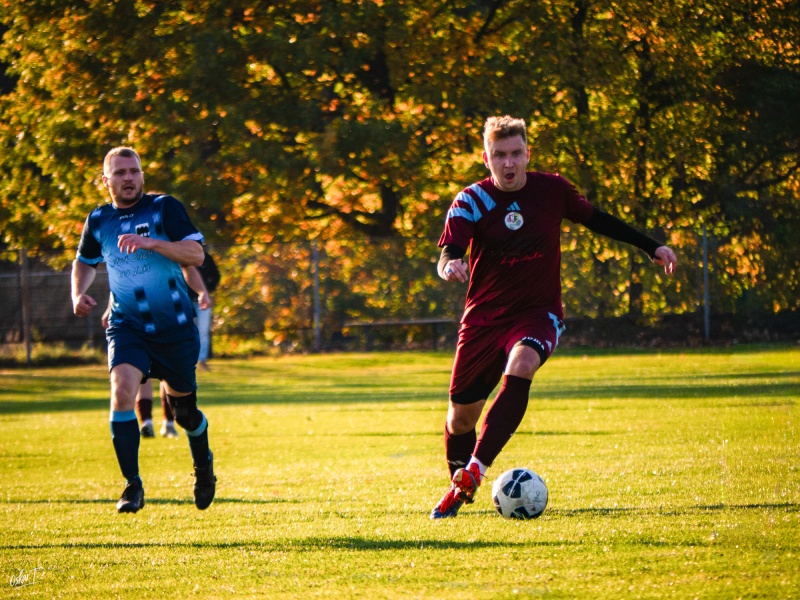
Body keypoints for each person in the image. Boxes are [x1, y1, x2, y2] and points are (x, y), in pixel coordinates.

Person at [430, 116, 677, 519]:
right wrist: (449, 266)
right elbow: (450, 250)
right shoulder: (471, 200)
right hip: (483, 320)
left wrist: (650, 246)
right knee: (460, 420)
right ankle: (458, 485)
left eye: (515, 154)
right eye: (499, 156)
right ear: (485, 158)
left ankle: (476, 469)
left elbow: (597, 219)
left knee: (524, 362)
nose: (508, 164)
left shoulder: (553, 190)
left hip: (537, 313)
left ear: (528, 153)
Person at [71, 146, 217, 514]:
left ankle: (203, 466)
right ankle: (132, 485)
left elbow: (196, 255)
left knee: (185, 414)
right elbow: (84, 261)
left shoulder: (164, 208)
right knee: (121, 391)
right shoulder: (99, 219)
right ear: (105, 181)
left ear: (142, 175)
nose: (129, 178)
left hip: (175, 329)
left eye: (134, 171)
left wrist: (153, 243)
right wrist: (78, 292)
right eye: (119, 173)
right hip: (127, 326)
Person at [101, 264, 209, 440]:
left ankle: (167, 422)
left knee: (168, 377)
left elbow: (190, 265)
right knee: (140, 373)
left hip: (170, 322)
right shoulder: (124, 246)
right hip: (136, 325)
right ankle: (147, 422)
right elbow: (120, 284)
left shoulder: (167, 242)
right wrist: (109, 309)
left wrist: (202, 291)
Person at [193, 251, 219, 371]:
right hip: (186, 299)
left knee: (202, 330)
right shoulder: (181, 254)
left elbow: (216, 275)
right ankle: (189, 360)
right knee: (187, 330)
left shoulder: (206, 257)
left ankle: (201, 360)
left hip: (203, 300)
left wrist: (207, 290)